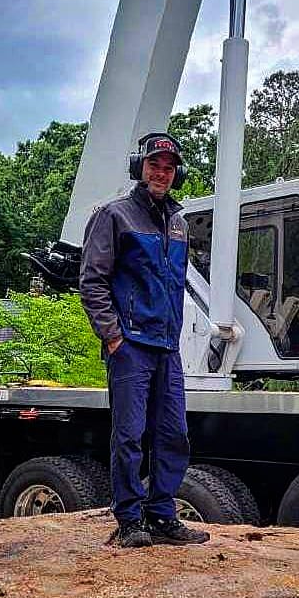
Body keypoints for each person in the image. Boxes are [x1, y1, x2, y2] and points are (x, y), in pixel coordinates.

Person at [79, 132, 210, 548]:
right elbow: (92, 281)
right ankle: (130, 520)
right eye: (154, 165)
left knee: (173, 434)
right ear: (140, 168)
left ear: (177, 174)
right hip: (131, 345)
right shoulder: (114, 216)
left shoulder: (179, 224)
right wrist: (114, 337)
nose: (161, 173)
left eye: (169, 167)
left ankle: (162, 515)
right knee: (130, 435)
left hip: (166, 347)